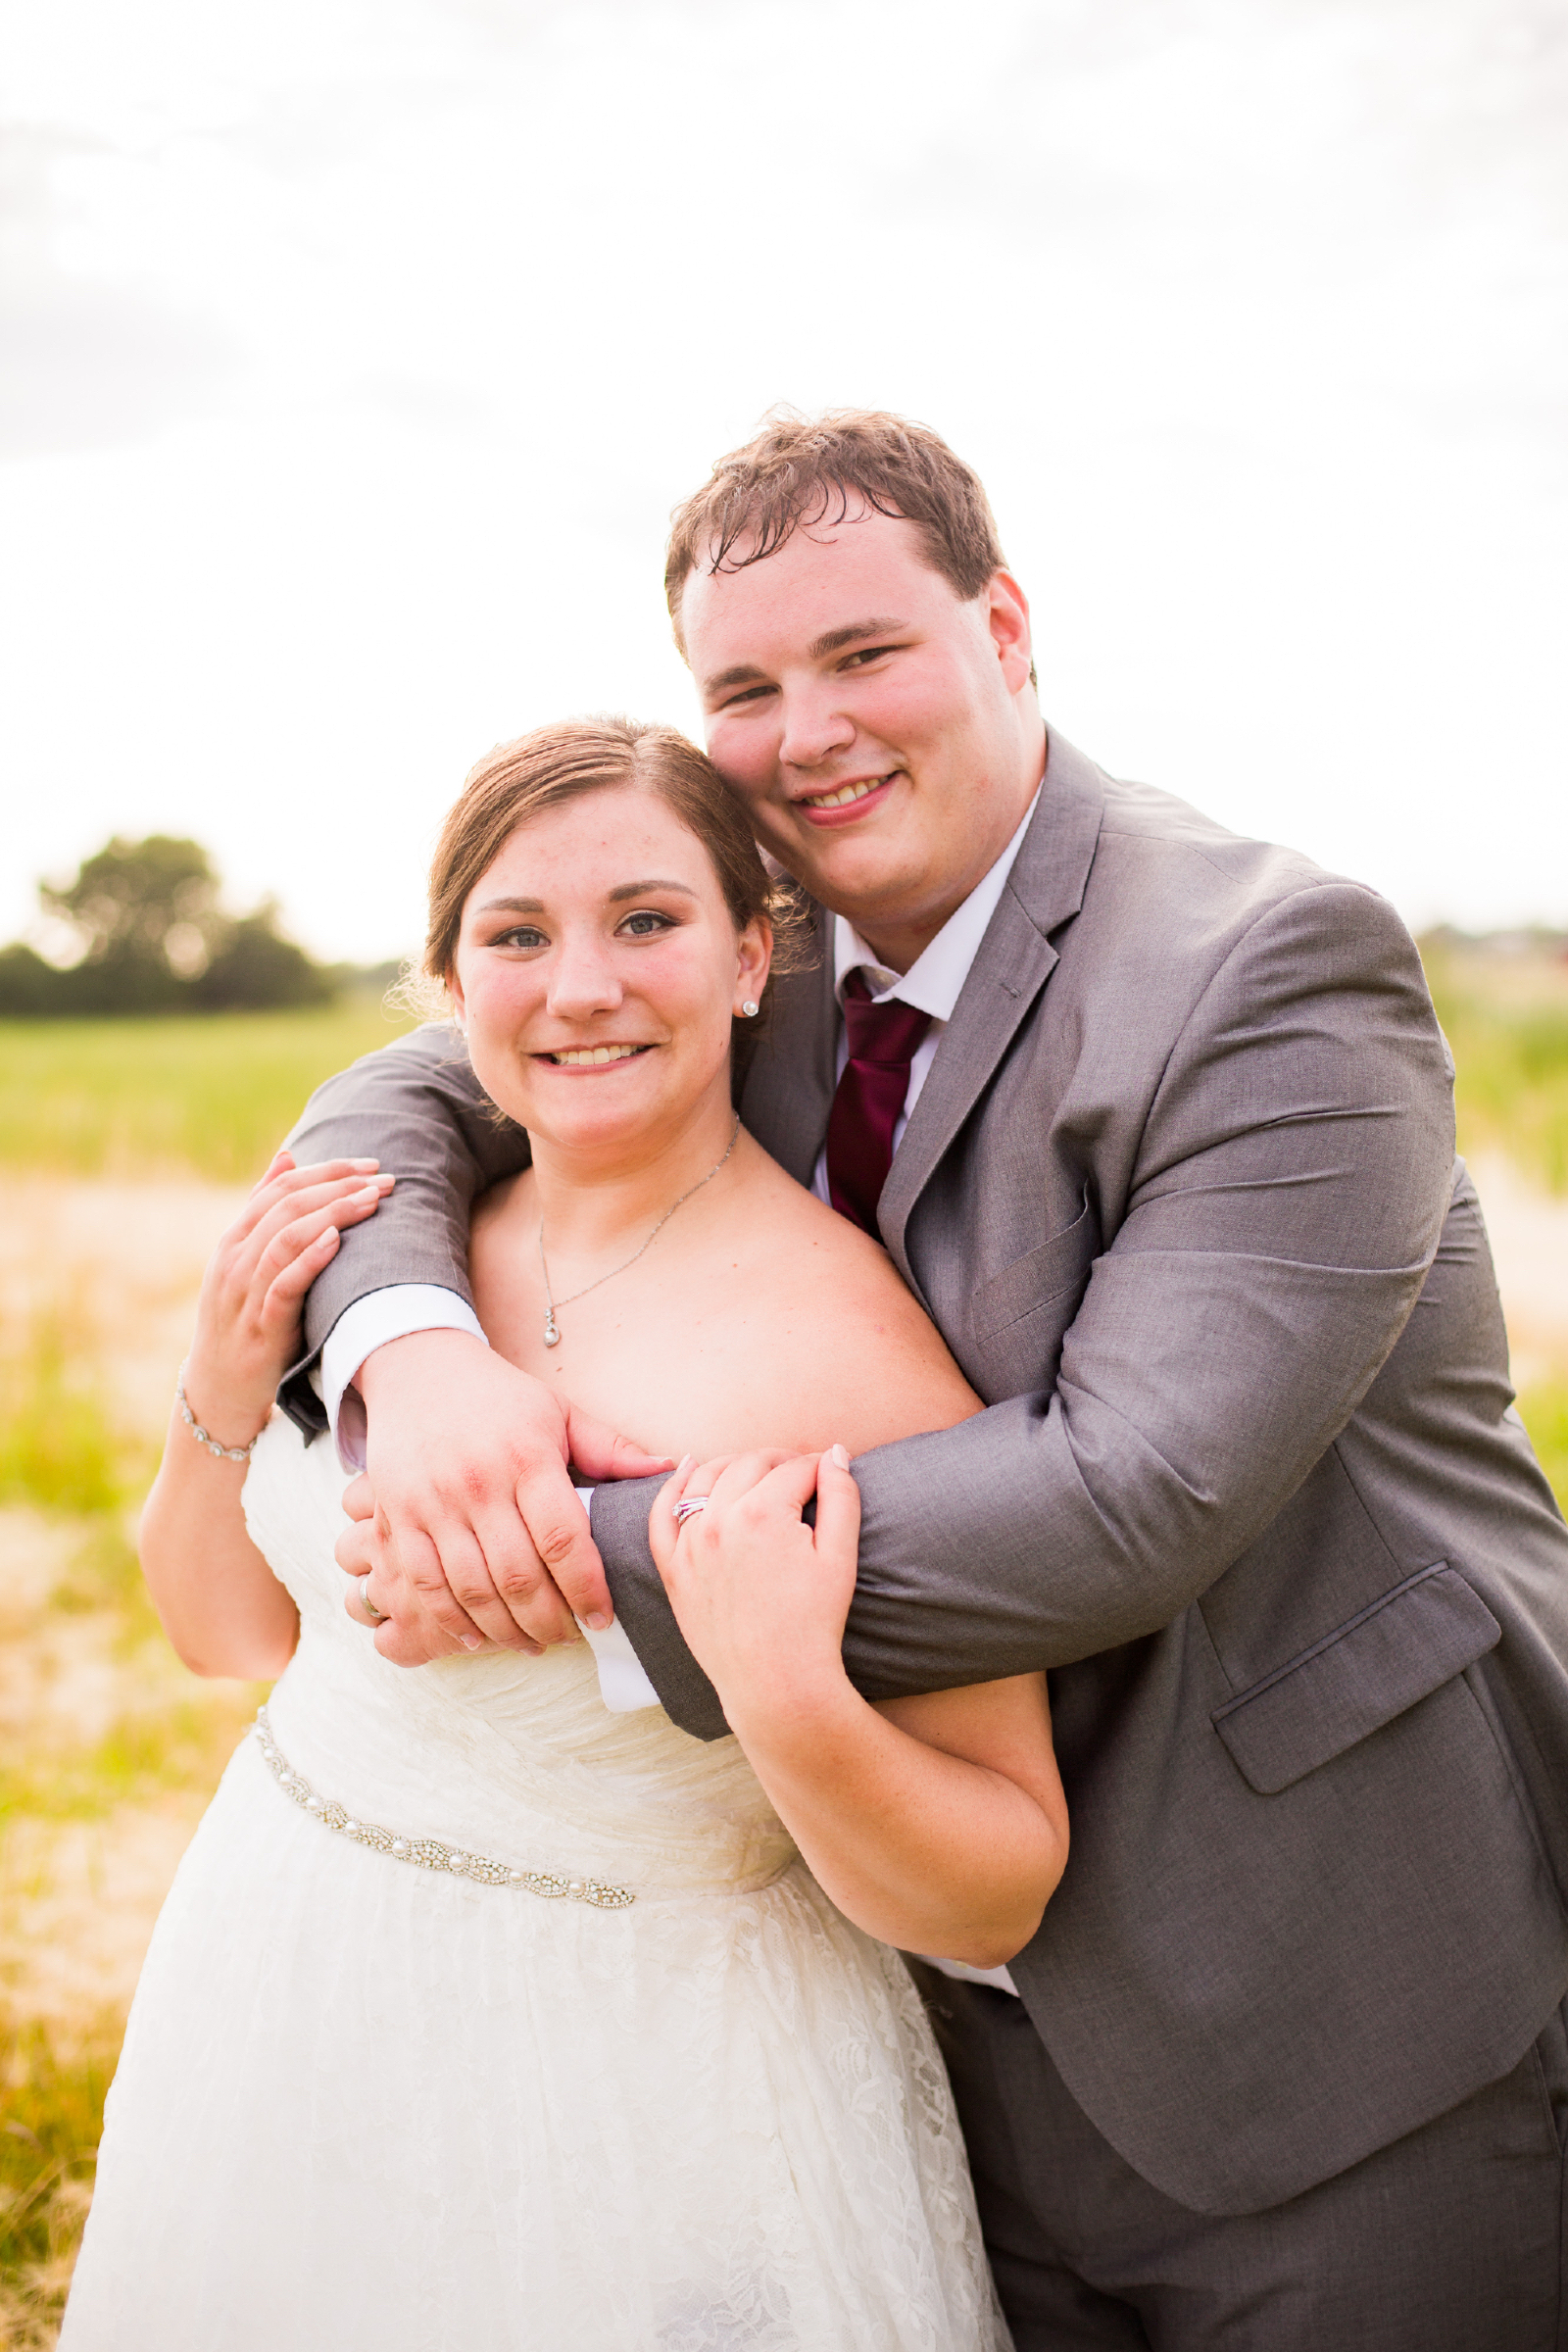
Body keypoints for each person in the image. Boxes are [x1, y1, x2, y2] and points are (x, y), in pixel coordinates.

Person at [292, 410, 1568, 2350]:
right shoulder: (745, 942)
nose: (804, 729)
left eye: (862, 653)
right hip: (887, 2005)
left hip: (1318, 1983)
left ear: (1005, 623)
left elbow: (1120, 1500)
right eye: (741, 685)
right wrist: (422, 1354)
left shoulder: (1264, 969)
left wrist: (551, 1545)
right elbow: (401, 1084)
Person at [61, 719, 1069, 2351]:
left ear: (754, 958)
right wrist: (220, 1396)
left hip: (641, 2102)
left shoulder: (852, 1357)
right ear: (452, 985)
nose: (581, 987)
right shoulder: (388, 1253)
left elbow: (999, 1888)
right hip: (280, 1994)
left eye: (647, 922)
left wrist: (788, 1693)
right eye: (517, 936)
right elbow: (235, 1643)